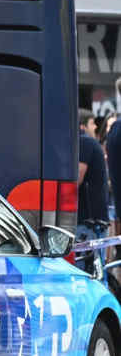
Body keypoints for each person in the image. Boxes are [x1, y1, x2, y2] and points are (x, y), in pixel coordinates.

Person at [78, 108, 110, 271]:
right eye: (92, 123)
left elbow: (77, 178)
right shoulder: (85, 141)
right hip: (93, 222)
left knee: (88, 270)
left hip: (89, 222)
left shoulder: (85, 142)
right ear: (82, 126)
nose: (96, 127)